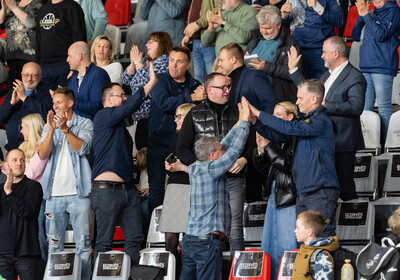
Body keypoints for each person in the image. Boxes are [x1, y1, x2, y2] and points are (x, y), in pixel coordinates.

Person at [248, 79, 339, 237]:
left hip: (320, 190)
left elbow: (288, 127)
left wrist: (258, 113)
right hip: (304, 192)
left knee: (322, 238)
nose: (297, 102)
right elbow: (279, 134)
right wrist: (256, 122)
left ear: (314, 99)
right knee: (305, 240)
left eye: (300, 98)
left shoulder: (321, 121)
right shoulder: (304, 123)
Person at [176, 73, 251, 258]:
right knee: (206, 227)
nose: (228, 90)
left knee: (235, 228)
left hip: (234, 177)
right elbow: (181, 149)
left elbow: (251, 143)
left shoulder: (237, 111)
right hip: (207, 182)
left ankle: (235, 273)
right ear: (209, 90)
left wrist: (244, 159)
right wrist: (204, 168)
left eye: (229, 86)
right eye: (223, 87)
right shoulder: (194, 113)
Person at [91, 67, 157, 264]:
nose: (125, 99)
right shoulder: (102, 116)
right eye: (122, 95)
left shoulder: (118, 124)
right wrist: (150, 83)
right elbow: (131, 106)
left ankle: (129, 276)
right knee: (104, 242)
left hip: (128, 191)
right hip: (106, 191)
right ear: (109, 99)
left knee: (135, 238)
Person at [289, 36, 366, 201]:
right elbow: (310, 94)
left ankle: (352, 223)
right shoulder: (325, 76)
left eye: (324, 52)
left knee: (345, 187)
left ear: (336, 53)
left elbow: (356, 107)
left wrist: (325, 104)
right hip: (326, 141)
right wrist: (294, 71)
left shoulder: (355, 76)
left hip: (343, 142)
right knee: (330, 187)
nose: (322, 56)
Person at [38, 87, 93, 279]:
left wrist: (65, 130)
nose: (55, 106)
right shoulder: (48, 126)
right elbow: (42, 154)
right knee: (54, 245)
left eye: (58, 102)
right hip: (53, 195)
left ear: (70, 103)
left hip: (80, 195)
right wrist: (51, 132)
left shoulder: (85, 123)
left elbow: (83, 148)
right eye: (54, 103)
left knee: (84, 246)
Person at [147, 46, 205, 214]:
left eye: (179, 61)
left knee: (181, 187)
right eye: (171, 60)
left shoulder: (195, 85)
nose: (173, 65)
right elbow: (164, 103)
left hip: (182, 146)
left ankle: (180, 233)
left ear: (187, 64)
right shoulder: (160, 80)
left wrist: (201, 98)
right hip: (159, 145)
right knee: (157, 189)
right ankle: (155, 232)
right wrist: (192, 98)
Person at [252, 101, 298, 280]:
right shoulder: (278, 140)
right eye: (273, 114)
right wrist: (260, 150)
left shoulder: (295, 139)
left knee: (286, 242)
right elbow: (263, 170)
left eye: (279, 114)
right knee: (271, 241)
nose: (274, 118)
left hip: (288, 196)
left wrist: (269, 146)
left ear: (290, 117)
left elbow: (285, 165)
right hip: (274, 194)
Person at [352, 0, 400, 137]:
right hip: (366, 65)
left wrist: (366, 15)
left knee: (384, 108)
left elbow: (381, 35)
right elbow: (355, 36)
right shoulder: (371, 12)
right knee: (366, 109)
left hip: (383, 66)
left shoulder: (394, 11)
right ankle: (369, 145)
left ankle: (388, 145)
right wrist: (362, 17)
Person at [159, 102, 195, 273]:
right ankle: (171, 274)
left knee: (189, 239)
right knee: (170, 239)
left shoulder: (197, 137)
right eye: (175, 116)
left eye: (179, 116)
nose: (175, 120)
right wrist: (170, 163)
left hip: (190, 187)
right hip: (174, 186)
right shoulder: (175, 136)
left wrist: (182, 165)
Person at [122, 31, 173, 150]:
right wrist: (133, 63)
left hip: (154, 116)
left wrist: (138, 63)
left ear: (161, 44)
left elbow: (147, 82)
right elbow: (125, 80)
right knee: (141, 154)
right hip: (140, 117)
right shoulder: (145, 61)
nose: (147, 45)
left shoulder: (164, 61)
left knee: (152, 154)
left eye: (151, 42)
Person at [0, 149, 43, 280]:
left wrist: (9, 192)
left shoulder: (34, 187)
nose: (19, 163)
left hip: (26, 254)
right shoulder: (0, 188)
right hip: (2, 255)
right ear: (7, 164)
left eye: (22, 160)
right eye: (14, 160)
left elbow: (26, 212)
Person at [245, 4, 299, 103]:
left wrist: (266, 66)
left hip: (274, 97)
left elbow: (293, 73)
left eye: (268, 28)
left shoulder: (289, 44)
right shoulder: (256, 38)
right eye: (261, 27)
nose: (263, 32)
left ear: (278, 25)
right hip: (251, 93)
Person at [281, 0, 345, 79]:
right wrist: (284, 16)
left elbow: (340, 21)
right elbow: (283, 26)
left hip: (320, 50)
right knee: (299, 87)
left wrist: (318, 7)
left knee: (320, 87)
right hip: (297, 48)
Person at [0, 62, 52, 151]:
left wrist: (25, 98)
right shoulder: (13, 91)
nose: (29, 79)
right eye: (26, 75)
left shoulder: (47, 92)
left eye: (34, 75)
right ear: (21, 75)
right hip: (13, 149)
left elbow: (47, 114)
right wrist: (11, 104)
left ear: (40, 77)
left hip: (35, 149)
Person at [36, 0, 86, 90]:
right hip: (45, 67)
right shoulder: (42, 9)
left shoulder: (72, 7)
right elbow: (38, 40)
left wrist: (75, 68)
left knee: (65, 101)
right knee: (46, 102)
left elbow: (79, 37)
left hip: (66, 65)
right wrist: (37, 65)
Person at [218, 42, 277, 112]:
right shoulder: (229, 82)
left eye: (221, 60)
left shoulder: (254, 76)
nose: (219, 64)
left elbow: (272, 106)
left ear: (233, 60)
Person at [0, 0, 42, 87]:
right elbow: (1, 24)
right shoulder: (14, 4)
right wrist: (4, 9)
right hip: (12, 56)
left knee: (29, 87)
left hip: (29, 57)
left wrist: (14, 8)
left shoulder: (38, 4)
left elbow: (32, 23)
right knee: (13, 89)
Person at [67, 41, 111, 120]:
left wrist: (69, 101)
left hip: (93, 127)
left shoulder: (99, 74)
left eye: (70, 56)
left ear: (79, 56)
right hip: (74, 126)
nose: (67, 60)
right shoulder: (73, 79)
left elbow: (96, 107)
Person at [292, 210, 339, 280]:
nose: (295, 231)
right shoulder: (304, 251)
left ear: (309, 231)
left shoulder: (321, 256)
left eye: (298, 228)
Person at [181, 0, 220, 84]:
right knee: (198, 80)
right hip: (196, 41)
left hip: (210, 42)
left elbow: (219, 10)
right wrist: (188, 35)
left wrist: (198, 24)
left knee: (213, 78)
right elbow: (193, 15)